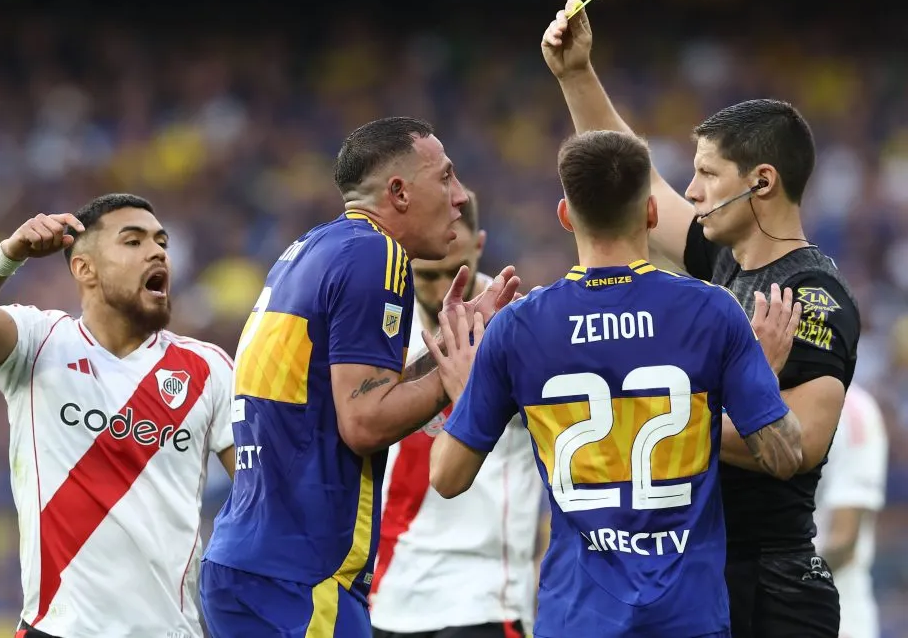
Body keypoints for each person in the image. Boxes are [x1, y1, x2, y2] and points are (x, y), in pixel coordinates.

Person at [541, 0, 861, 638]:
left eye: (707, 175)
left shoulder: (813, 296)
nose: (689, 191)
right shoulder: (725, 261)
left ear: (762, 182)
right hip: (710, 572)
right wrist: (576, 75)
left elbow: (802, 443)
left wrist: (646, 422)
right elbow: (636, 180)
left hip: (772, 583)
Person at [425, 129, 803, 638]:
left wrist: (467, 388)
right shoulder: (712, 311)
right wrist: (762, 377)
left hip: (577, 617)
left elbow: (447, 478)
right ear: (650, 213)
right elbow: (784, 457)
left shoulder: (517, 328)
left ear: (565, 215)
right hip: (686, 617)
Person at [200, 116, 520, 638]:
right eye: (444, 177)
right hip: (302, 576)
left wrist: (450, 348)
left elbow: (344, 396)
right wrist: (457, 372)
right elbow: (364, 423)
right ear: (398, 192)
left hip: (253, 565)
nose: (460, 197)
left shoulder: (312, 250)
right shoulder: (379, 253)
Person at [0, 194, 237, 638]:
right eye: (132, 242)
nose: (156, 252)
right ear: (84, 269)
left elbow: (258, 489)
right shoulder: (39, 343)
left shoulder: (208, 367)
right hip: (57, 629)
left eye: (161, 242)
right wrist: (10, 253)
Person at [370, 189, 549, 638]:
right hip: (390, 593)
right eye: (427, 275)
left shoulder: (518, 325)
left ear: (479, 246)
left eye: (455, 273)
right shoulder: (380, 331)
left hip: (485, 595)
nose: (441, 290)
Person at [814, 383, 889, 638]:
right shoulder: (748, 395)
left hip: (835, 615)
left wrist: (778, 583)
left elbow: (844, 541)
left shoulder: (854, 411)